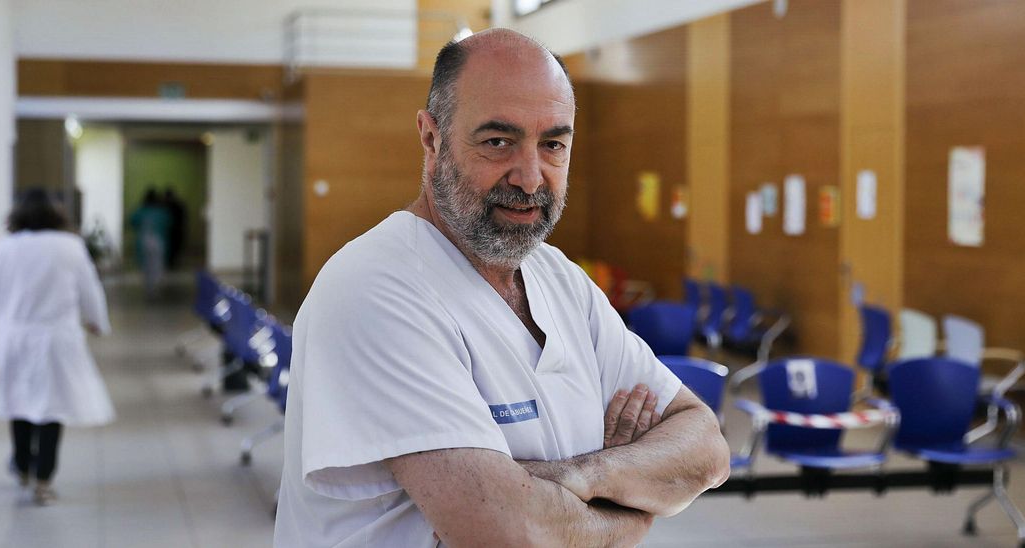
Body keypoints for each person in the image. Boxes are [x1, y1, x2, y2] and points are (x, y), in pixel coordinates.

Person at [274, 29, 730, 547]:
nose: (531, 177)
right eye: (498, 142)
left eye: (553, 144)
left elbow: (705, 445)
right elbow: (510, 534)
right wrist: (632, 509)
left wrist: (585, 478)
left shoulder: (561, 280)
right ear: (431, 137)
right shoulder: (374, 288)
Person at [0, 188, 114, 506]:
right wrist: (97, 322)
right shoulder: (70, 246)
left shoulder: (4, 248)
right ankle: (44, 479)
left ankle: (22, 465)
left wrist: (13, 312)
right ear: (57, 215)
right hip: (57, 338)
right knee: (53, 408)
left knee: (20, 401)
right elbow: (89, 290)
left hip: (16, 336)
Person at [129, 188, 172, 297]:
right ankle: (155, 287)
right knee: (157, 264)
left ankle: (149, 288)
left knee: (147, 265)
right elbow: (169, 223)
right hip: (158, 240)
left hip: (144, 240)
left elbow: (132, 221)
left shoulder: (141, 210)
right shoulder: (161, 212)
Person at [162, 187, 187, 269]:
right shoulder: (178, 205)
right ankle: (172, 262)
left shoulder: (163, 206)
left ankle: (170, 262)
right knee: (175, 248)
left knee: (171, 248)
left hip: (170, 230)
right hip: (176, 230)